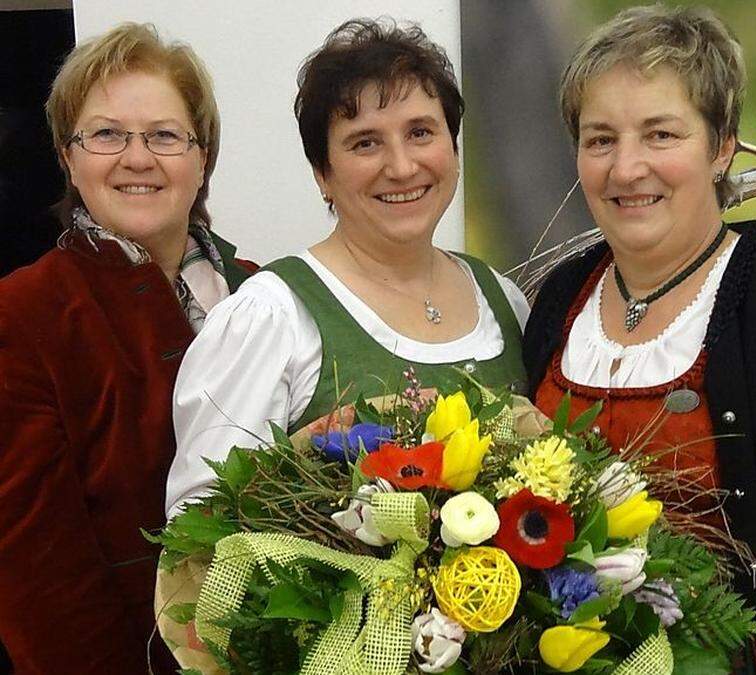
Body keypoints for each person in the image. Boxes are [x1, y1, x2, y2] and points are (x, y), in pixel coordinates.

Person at [523, 5, 756, 672]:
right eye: (600, 138)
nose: (626, 168)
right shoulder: (559, 300)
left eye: (661, 134)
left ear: (722, 144)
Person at [166, 19, 528, 517]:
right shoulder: (271, 316)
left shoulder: (504, 299)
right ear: (322, 174)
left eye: (421, 132)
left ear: (454, 146)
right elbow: (200, 525)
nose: (401, 167)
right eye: (365, 143)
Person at [0, 23, 253, 673]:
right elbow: (41, 587)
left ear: (203, 157)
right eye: (107, 134)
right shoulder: (24, 314)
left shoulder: (265, 289)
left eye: (165, 135)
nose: (137, 158)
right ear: (68, 156)